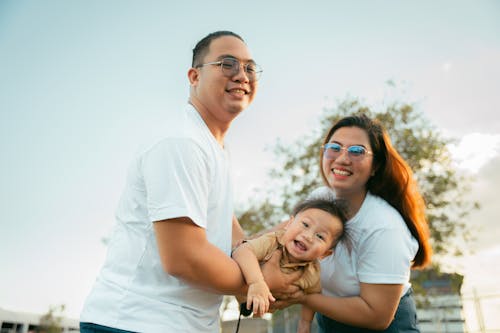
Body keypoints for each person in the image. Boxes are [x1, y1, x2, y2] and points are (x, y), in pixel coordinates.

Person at [79, 31, 299, 333]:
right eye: (228, 64)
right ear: (194, 76)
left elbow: (232, 234)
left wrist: (287, 235)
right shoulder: (181, 141)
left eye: (250, 67)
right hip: (138, 323)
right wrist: (257, 283)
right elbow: (185, 258)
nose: (242, 75)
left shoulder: (214, 147)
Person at [272, 114, 432, 333]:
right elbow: (277, 236)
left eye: (357, 151)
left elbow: (377, 316)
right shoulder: (321, 198)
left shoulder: (384, 227)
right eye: (334, 148)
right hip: (330, 322)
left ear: (375, 165)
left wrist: (302, 297)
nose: (342, 158)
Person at [232, 196, 349, 318]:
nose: (308, 236)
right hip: (240, 280)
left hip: (263, 304)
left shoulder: (312, 272)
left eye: (320, 236)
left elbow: (313, 297)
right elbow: (242, 252)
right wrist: (256, 282)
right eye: (305, 224)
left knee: (256, 316)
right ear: (289, 223)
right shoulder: (273, 241)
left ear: (324, 254)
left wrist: (305, 322)